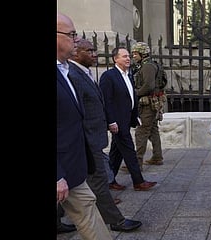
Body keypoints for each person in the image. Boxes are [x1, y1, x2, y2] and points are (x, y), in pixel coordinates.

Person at [62, 37, 143, 232]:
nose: (95, 54)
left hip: (93, 137)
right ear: (75, 53)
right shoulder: (72, 74)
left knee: (75, 180)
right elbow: (74, 111)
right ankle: (116, 220)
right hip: (86, 139)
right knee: (98, 180)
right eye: (89, 51)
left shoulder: (83, 73)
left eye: (94, 50)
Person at [56, 12, 113, 239]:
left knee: (88, 209)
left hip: (72, 168)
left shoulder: (66, 71)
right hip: (60, 172)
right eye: (71, 34)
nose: (77, 39)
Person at [99, 47, 158, 191]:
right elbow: (106, 101)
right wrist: (111, 121)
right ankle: (138, 181)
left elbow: (130, 97)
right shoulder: (109, 76)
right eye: (124, 56)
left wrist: (135, 116)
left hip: (126, 119)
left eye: (129, 56)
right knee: (129, 150)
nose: (128, 59)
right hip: (117, 121)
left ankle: (110, 180)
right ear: (115, 59)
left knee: (116, 151)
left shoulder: (128, 74)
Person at [131, 42, 165, 166]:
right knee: (153, 130)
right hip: (153, 102)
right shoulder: (151, 64)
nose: (133, 56)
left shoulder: (147, 67)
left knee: (142, 131)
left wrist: (135, 93)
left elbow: (149, 86)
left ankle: (137, 163)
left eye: (135, 53)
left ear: (143, 53)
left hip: (148, 104)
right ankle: (157, 156)